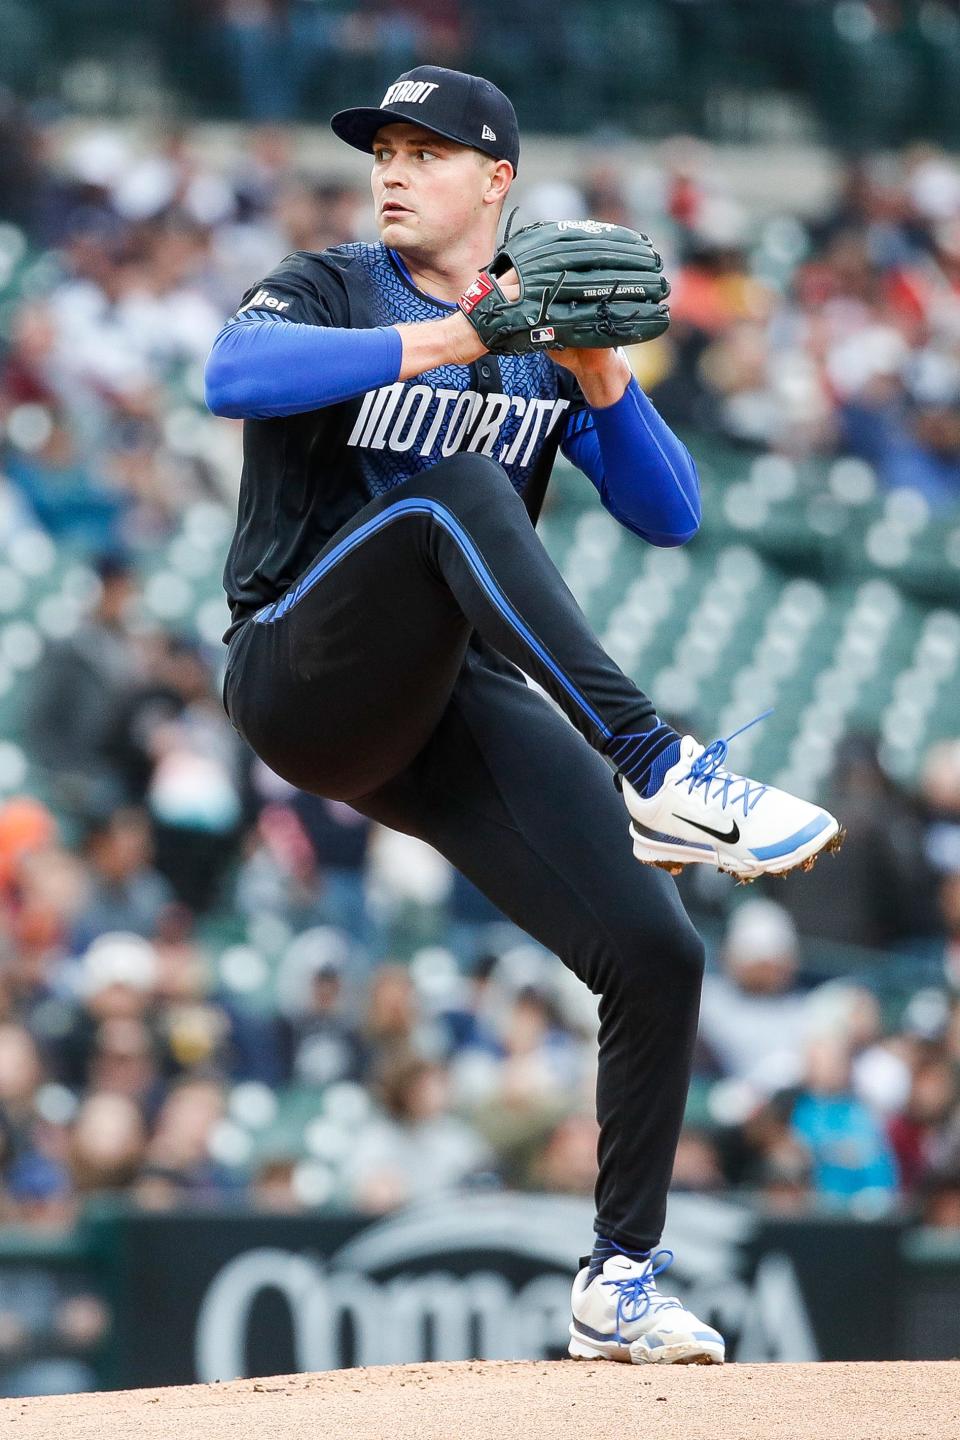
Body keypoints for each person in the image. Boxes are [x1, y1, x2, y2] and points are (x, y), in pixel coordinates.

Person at [205, 64, 842, 1367]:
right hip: (298, 670)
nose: (392, 168)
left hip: (442, 707)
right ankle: (657, 764)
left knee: (655, 953)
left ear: (496, 179)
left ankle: (622, 1275)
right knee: (458, 489)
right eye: (382, 147)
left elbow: (673, 515)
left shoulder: (539, 332)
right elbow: (235, 373)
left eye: (426, 151)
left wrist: (597, 370)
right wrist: (467, 341)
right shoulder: (327, 285)